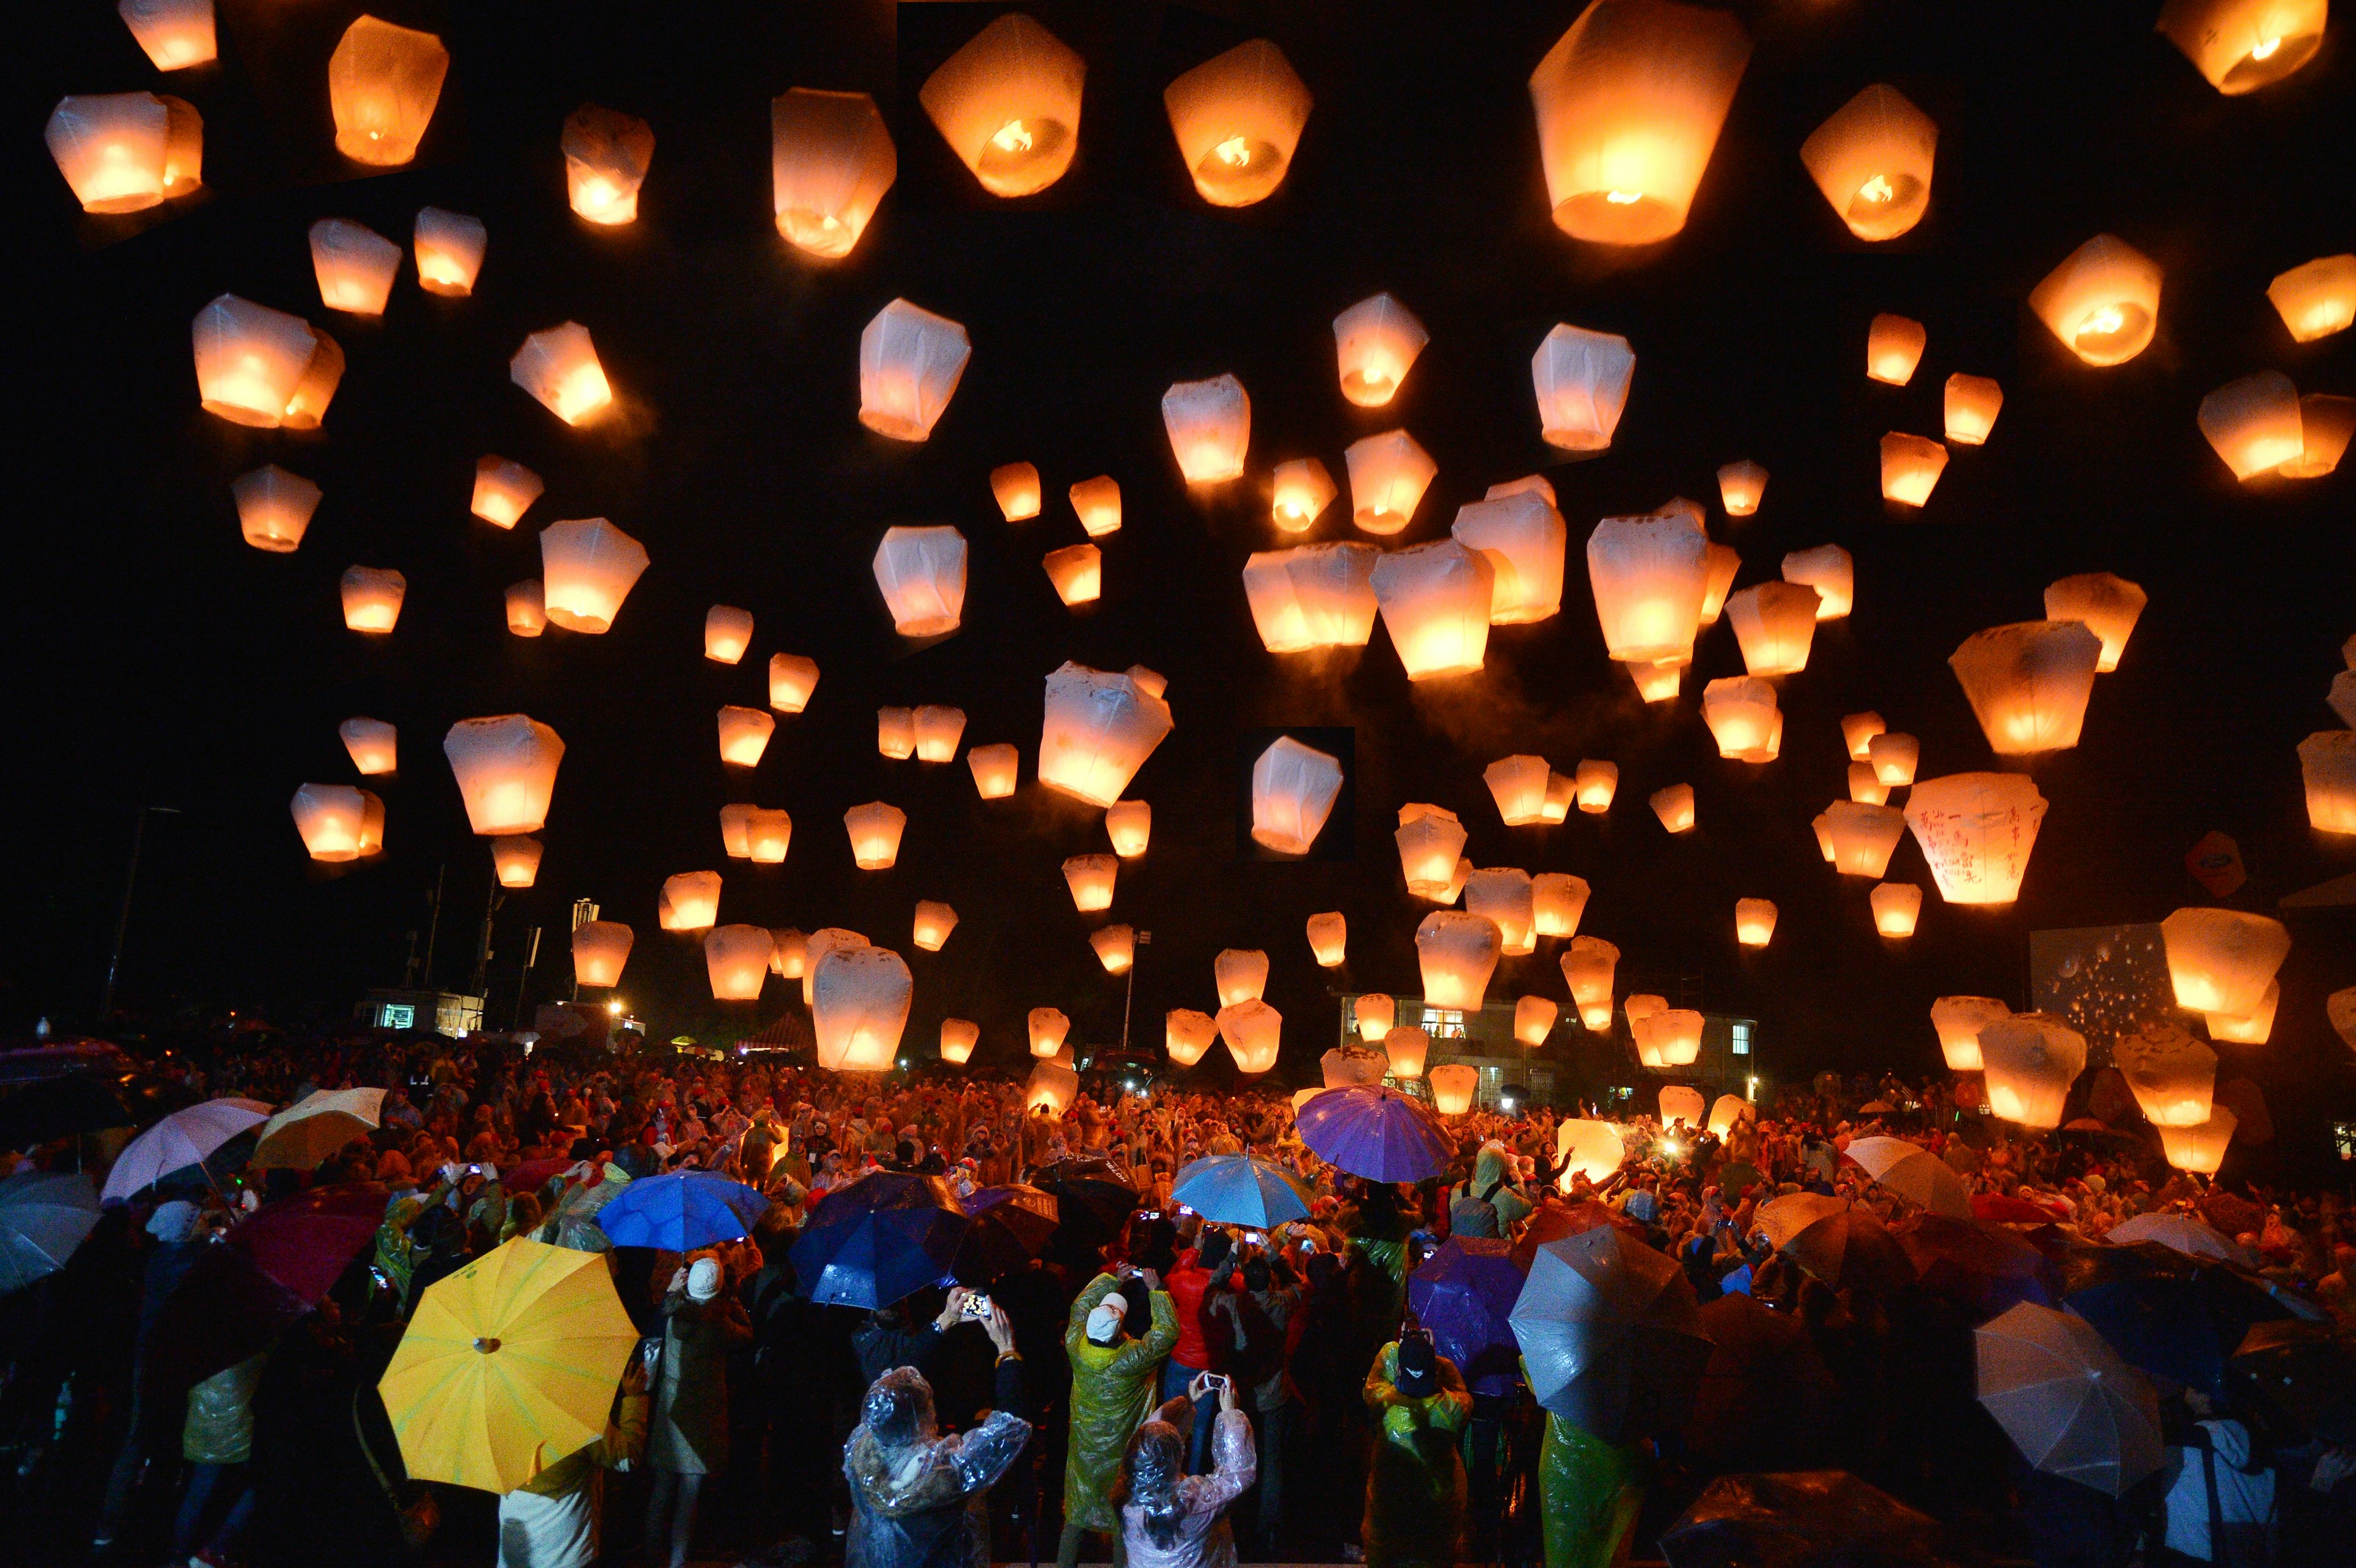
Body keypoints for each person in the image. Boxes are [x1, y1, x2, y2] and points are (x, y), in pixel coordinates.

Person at [842, 1302, 1030, 1568]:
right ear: (924, 1414)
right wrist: (1007, 1349)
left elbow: (894, 1380)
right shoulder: (945, 1474)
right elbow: (1011, 1427)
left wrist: (945, 1320)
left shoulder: (861, 1449)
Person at [1060, 1266, 1178, 1568]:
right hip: (1121, 1451)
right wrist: (1157, 1291)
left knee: (1076, 1514)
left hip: (1085, 1449)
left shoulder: (1076, 1346)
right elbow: (1167, 1333)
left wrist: (1111, 1279)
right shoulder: (1132, 1358)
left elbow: (1079, 1306)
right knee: (1121, 1522)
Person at [644, 1256, 754, 1568]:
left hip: (670, 1410)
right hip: (703, 1417)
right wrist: (732, 1302)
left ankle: (651, 1555)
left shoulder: (670, 1314)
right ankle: (678, 1562)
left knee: (662, 1489)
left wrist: (673, 1293)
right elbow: (748, 1335)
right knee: (688, 1498)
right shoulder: (720, 1324)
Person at [495, 1355, 650, 1568]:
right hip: (566, 1555)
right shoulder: (578, 1417)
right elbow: (627, 1457)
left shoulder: (497, 1411)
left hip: (514, 1555)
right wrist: (635, 1397)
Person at [1110, 1377, 1257, 1568]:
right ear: (1176, 1459)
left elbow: (1145, 1437)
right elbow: (1237, 1476)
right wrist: (1231, 1414)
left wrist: (1186, 1401)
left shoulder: (1124, 1496)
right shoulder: (1193, 1506)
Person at [1361, 1333, 1472, 1568]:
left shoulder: (1383, 1403)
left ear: (1399, 1370)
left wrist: (1400, 1345)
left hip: (1388, 1525)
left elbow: (1377, 1376)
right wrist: (1432, 1357)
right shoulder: (1452, 1409)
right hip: (1436, 1525)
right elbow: (1460, 1388)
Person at [174, 1351, 265, 1568]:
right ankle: (213, 1551)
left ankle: (178, 1556)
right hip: (238, 1425)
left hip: (202, 1418)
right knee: (257, 1485)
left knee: (198, 1490)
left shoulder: (211, 1331)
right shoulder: (262, 1339)